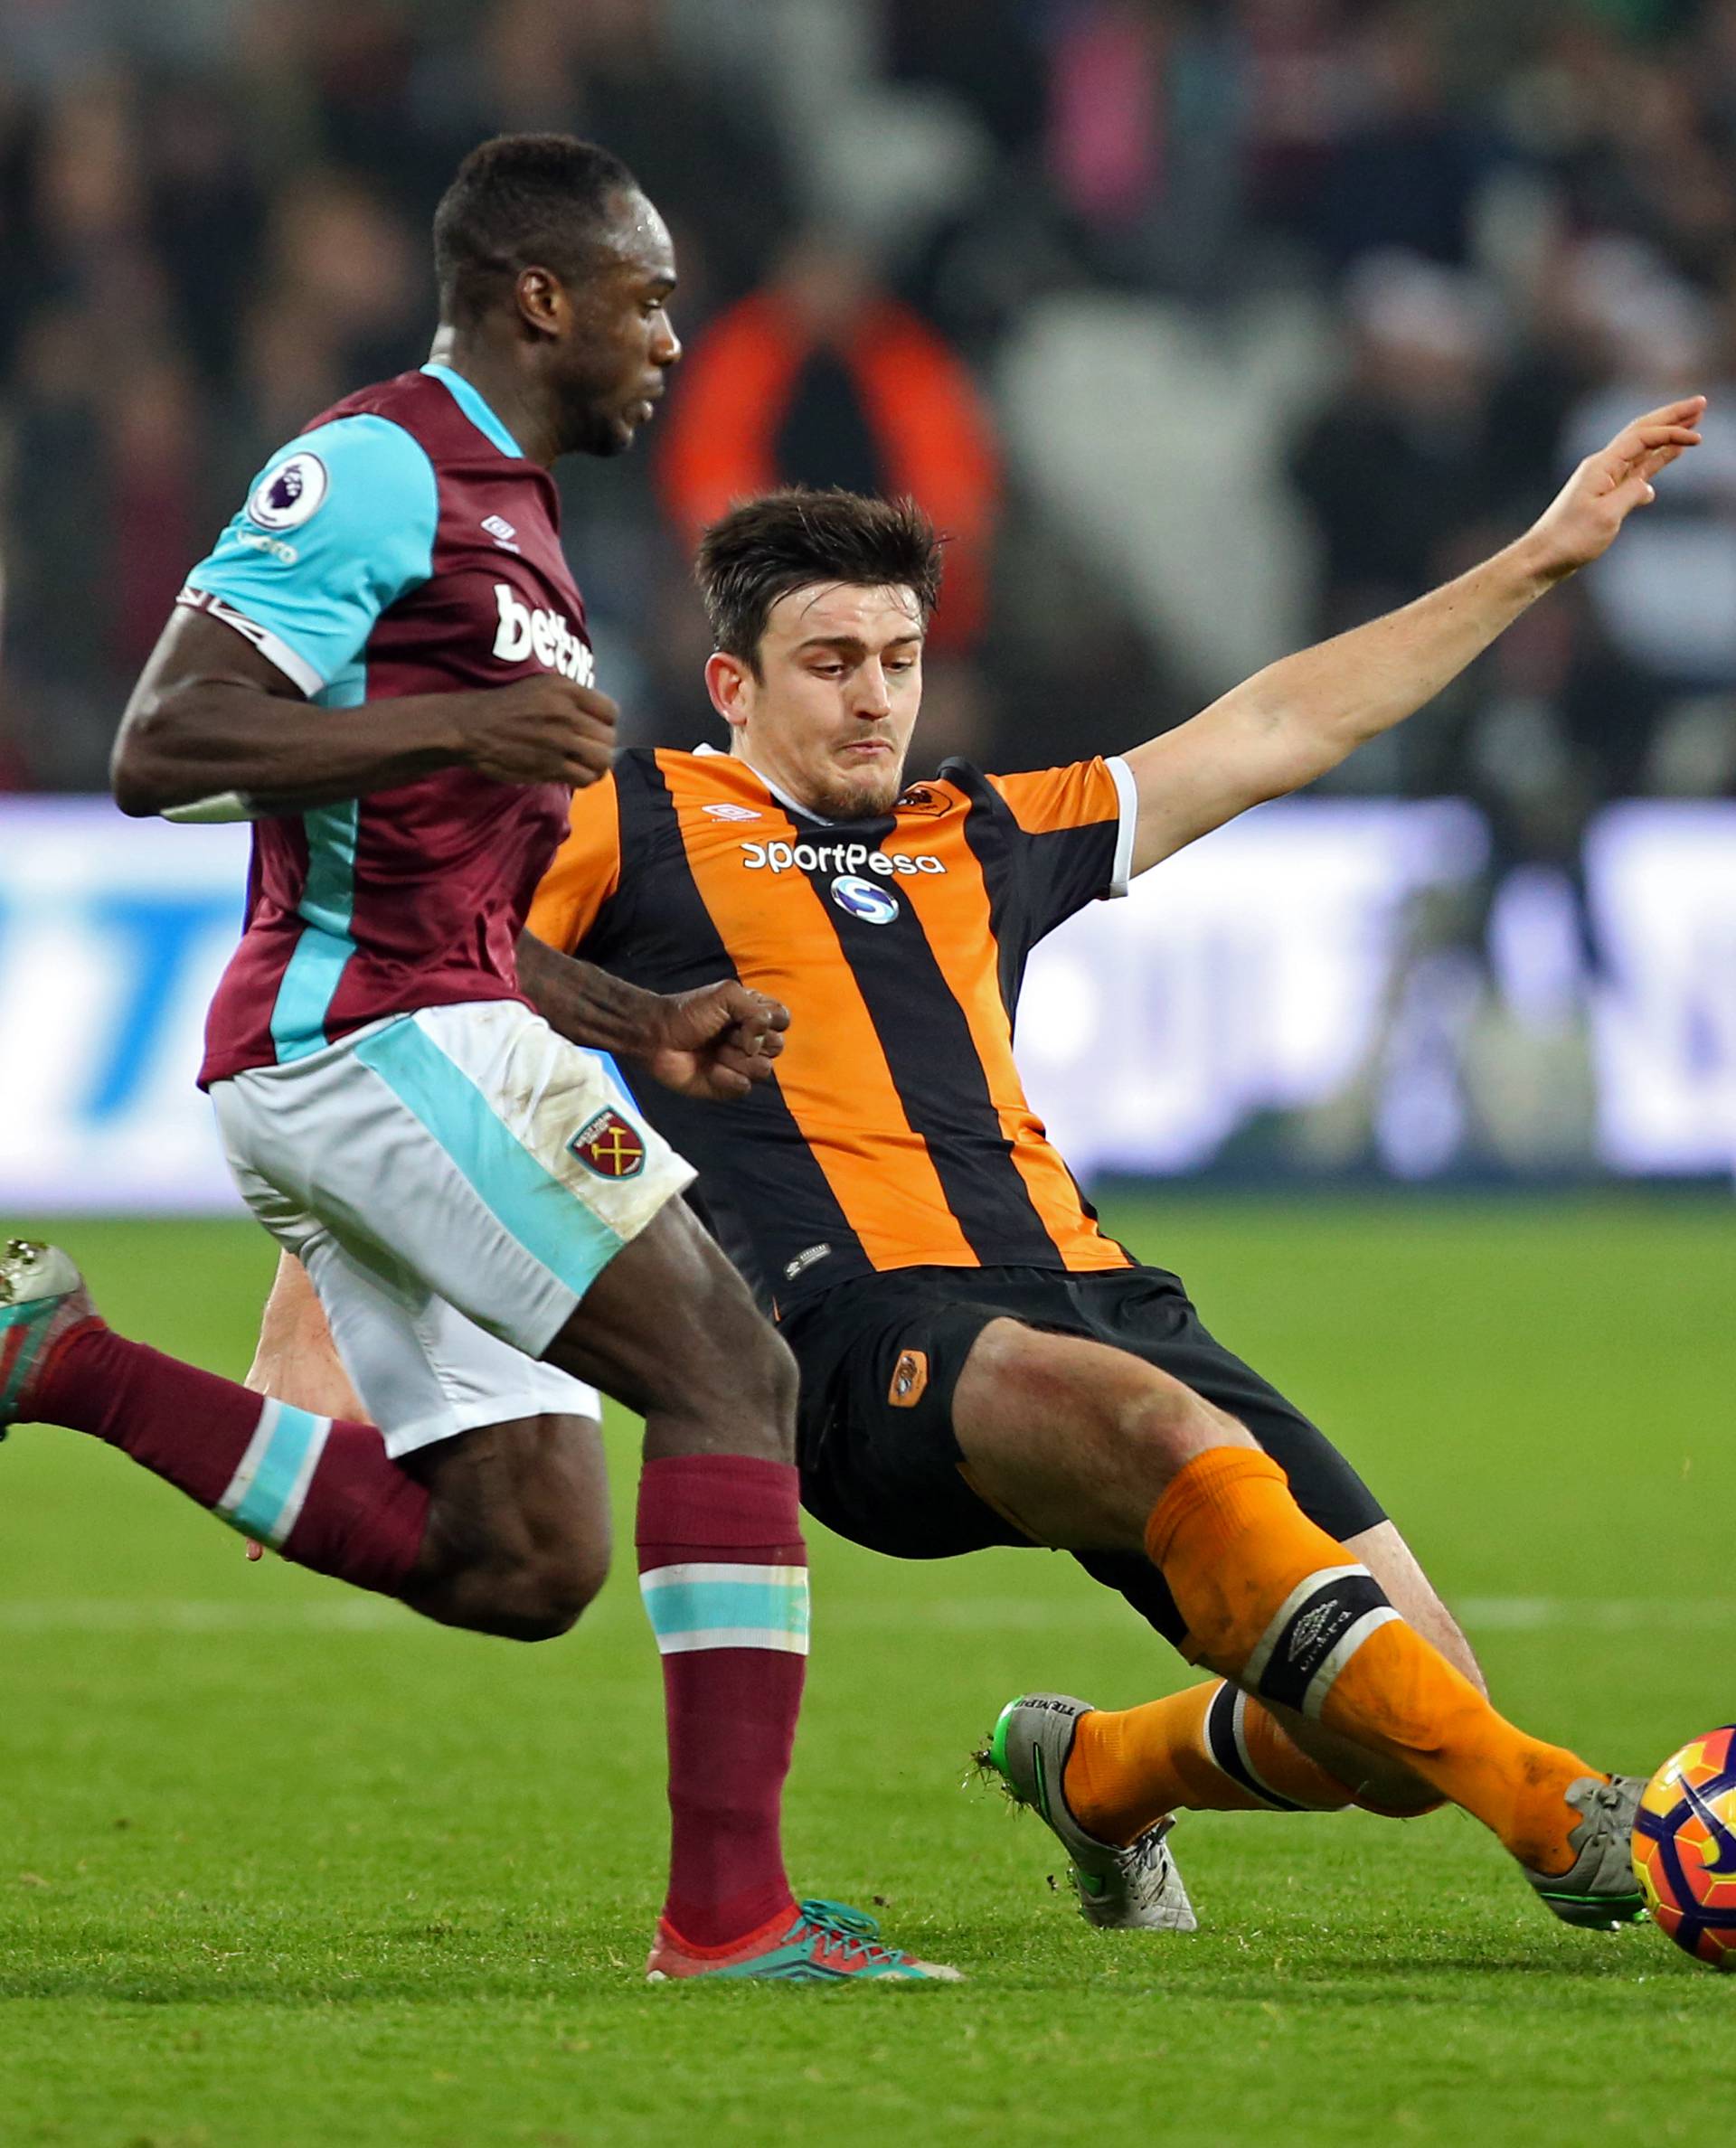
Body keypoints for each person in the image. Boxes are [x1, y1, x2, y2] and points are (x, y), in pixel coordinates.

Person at [247, 412, 1703, 1936]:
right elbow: (413, 1001)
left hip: (1092, 1298)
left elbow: (1277, 729)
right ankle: (1557, 1812)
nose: (875, 697)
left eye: (900, 656)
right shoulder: (635, 817)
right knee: (1178, 1450)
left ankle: (1101, 1776)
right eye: (831, 663)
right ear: (733, 683)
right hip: (852, 1337)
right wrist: (313, 1299)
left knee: (1395, 1730)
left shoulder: (979, 833)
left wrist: (1537, 563)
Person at [0, 134, 956, 1987]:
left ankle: (68, 1362)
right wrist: (472, 713)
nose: (668, 337)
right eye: (646, 296)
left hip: (419, 1025)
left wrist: (644, 1020)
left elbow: (459, 901)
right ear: (541, 297)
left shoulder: (520, 523)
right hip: (368, 1043)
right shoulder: (371, 469)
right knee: (733, 1372)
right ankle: (732, 1922)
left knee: (521, 1564)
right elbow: (166, 738)